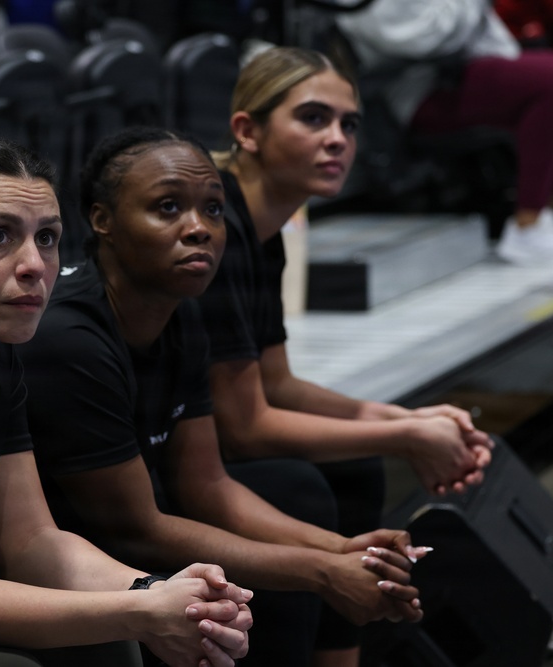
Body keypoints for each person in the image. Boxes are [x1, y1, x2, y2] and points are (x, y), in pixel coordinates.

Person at [18, 125, 427, 667]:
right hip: (78, 551)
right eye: (168, 208)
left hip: (138, 518)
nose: (199, 229)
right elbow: (137, 530)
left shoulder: (181, 310)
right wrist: (321, 571)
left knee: (295, 489)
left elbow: (207, 484)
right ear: (102, 221)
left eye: (212, 209)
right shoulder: (70, 338)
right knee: (276, 569)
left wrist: (343, 550)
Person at [0, 131, 252, 667]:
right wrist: (137, 612)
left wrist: (160, 593)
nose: (34, 264)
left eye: (48, 238)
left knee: (112, 638)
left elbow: (32, 540)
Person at [198, 44, 496, 667]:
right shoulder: (216, 225)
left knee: (353, 464)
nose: (338, 139)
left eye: (349, 124)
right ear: (247, 131)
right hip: (157, 456)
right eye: (313, 118)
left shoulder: (265, 230)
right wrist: (406, 438)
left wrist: (406, 419)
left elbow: (278, 382)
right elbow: (248, 428)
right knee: (303, 481)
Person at [336, 0, 553, 264]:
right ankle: (526, 228)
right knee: (547, 82)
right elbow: (419, 39)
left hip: (464, 69)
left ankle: (541, 216)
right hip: (418, 89)